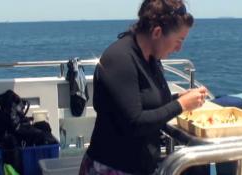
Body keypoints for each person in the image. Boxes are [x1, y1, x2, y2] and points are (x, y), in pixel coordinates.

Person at [79, 0, 208, 174]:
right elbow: (134, 123)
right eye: (179, 40)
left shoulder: (150, 58)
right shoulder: (120, 59)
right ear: (157, 32)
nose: (179, 49)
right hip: (111, 168)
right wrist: (181, 105)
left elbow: (148, 104)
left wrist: (178, 99)